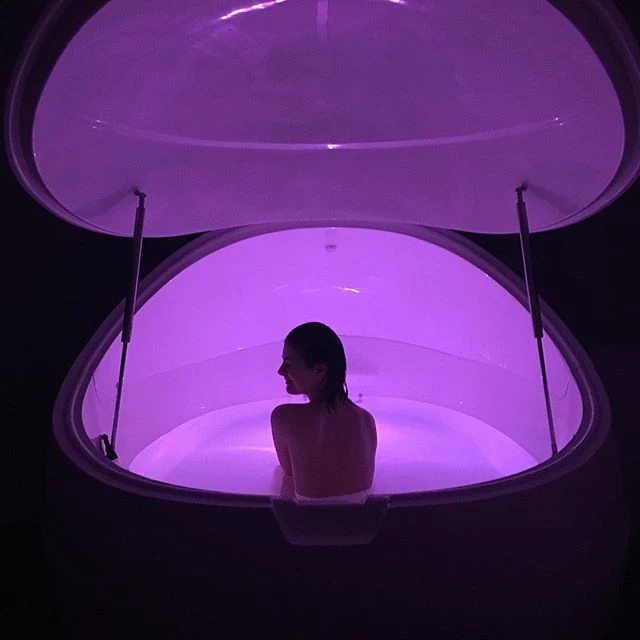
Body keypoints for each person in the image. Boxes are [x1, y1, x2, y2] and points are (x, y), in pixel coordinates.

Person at [271, 322, 377, 503]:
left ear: (319, 370)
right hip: (364, 519)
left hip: (302, 519)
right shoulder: (365, 420)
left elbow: (289, 475)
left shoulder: (285, 418)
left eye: (288, 364)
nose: (280, 371)